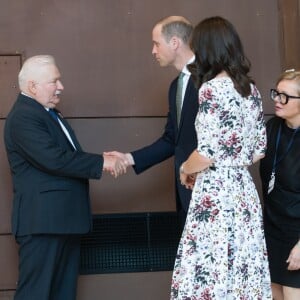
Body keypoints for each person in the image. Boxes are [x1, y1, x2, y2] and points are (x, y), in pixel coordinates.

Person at [4, 55, 126, 300]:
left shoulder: (48, 113)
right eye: (54, 81)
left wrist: (98, 159)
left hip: (60, 221)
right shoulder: (23, 117)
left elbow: (62, 157)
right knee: (35, 294)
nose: (61, 87)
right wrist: (102, 162)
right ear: (32, 86)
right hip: (43, 224)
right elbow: (54, 159)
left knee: (62, 294)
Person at [170, 16, 272, 299]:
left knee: (210, 267)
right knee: (241, 267)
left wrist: (185, 168)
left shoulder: (212, 89)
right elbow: (258, 149)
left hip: (216, 192)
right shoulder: (250, 90)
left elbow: (208, 153)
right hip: (242, 190)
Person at [106, 16, 198, 222]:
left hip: (211, 195)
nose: (153, 51)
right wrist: (128, 159)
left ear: (174, 42)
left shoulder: (211, 81)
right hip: (186, 196)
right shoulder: (176, 86)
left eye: (156, 43)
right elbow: (171, 139)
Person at [260, 70, 300, 300]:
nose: (276, 99)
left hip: (297, 235)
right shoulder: (272, 127)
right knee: (274, 294)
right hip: (272, 229)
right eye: (276, 93)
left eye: (285, 96)